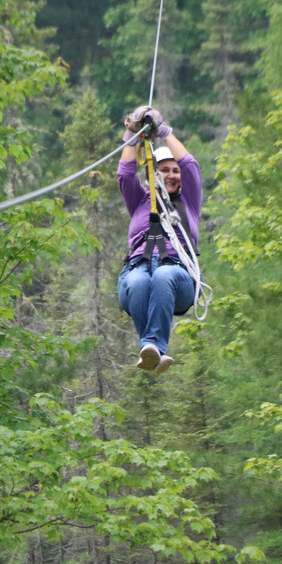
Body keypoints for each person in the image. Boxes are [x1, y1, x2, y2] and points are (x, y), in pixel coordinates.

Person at [117, 106, 202, 374]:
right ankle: (153, 351)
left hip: (178, 275)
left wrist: (164, 132)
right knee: (139, 281)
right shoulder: (141, 200)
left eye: (175, 171)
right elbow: (125, 174)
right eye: (165, 170)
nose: (173, 175)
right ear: (154, 173)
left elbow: (190, 165)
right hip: (138, 266)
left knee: (164, 274)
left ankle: (153, 344)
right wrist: (133, 133)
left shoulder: (188, 202)